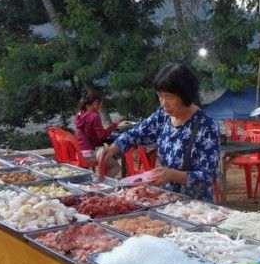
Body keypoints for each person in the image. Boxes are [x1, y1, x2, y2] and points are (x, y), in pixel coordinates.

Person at [97, 63, 220, 202]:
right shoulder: (163, 116)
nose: (163, 103)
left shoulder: (206, 126)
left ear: (185, 94)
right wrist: (113, 149)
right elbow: (135, 134)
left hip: (196, 207)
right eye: (160, 96)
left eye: (169, 97)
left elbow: (209, 176)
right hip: (166, 200)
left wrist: (173, 175)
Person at [74, 90, 119, 174]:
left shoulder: (79, 115)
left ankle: (98, 179)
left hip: (80, 153)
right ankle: (102, 184)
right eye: (100, 105)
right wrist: (114, 125)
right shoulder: (94, 116)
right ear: (96, 103)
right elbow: (102, 136)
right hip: (91, 153)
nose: (100, 107)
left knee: (105, 156)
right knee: (115, 167)